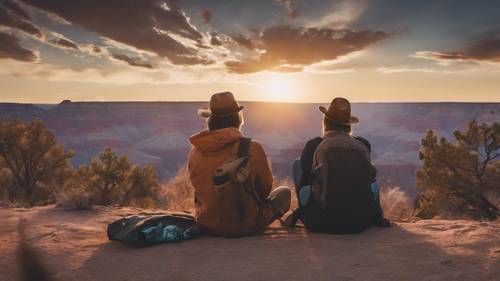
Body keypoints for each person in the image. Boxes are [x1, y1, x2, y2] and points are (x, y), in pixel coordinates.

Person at [188, 91, 291, 237]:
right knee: (284, 193)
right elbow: (264, 189)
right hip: (244, 225)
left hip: (207, 224)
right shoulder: (251, 148)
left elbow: (197, 186)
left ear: (210, 120)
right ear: (237, 118)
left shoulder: (196, 150)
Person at [283, 97, 390, 233]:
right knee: (373, 183)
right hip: (361, 221)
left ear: (325, 122)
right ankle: (376, 215)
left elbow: (306, 182)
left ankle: (304, 211)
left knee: (297, 165)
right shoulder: (363, 144)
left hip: (322, 221)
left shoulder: (314, 145)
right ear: (349, 125)